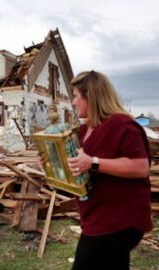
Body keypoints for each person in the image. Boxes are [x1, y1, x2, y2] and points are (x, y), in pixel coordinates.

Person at [65, 71, 152, 269]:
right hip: (96, 213)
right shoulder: (85, 129)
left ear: (91, 97)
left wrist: (93, 162)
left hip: (118, 218)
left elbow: (141, 167)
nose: (73, 102)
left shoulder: (123, 124)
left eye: (76, 96)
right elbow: (80, 163)